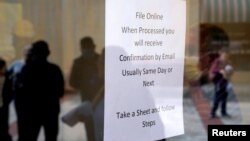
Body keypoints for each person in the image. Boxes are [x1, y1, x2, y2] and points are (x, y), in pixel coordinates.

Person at [14, 40, 64, 141]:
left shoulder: (26, 69)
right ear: (47, 53)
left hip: (32, 112)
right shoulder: (54, 69)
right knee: (51, 137)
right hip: (51, 111)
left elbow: (20, 93)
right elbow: (60, 92)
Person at [69, 37, 99, 141]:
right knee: (90, 129)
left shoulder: (101, 60)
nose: (86, 50)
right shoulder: (78, 62)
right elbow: (72, 82)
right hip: (87, 101)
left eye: (88, 47)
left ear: (93, 47)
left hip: (100, 99)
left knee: (99, 129)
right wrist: (85, 84)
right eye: (84, 48)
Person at [209, 50, 231, 118]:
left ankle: (223, 112)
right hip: (218, 82)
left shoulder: (227, 62)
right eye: (223, 56)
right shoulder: (217, 61)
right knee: (217, 98)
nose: (225, 57)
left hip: (225, 82)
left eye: (226, 56)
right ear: (221, 55)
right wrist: (220, 71)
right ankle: (212, 113)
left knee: (224, 98)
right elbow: (213, 70)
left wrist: (229, 71)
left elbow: (230, 71)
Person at [0, 58, 12, 141]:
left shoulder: (8, 77)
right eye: (4, 66)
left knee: (4, 124)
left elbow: (10, 91)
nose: (5, 68)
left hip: (4, 105)